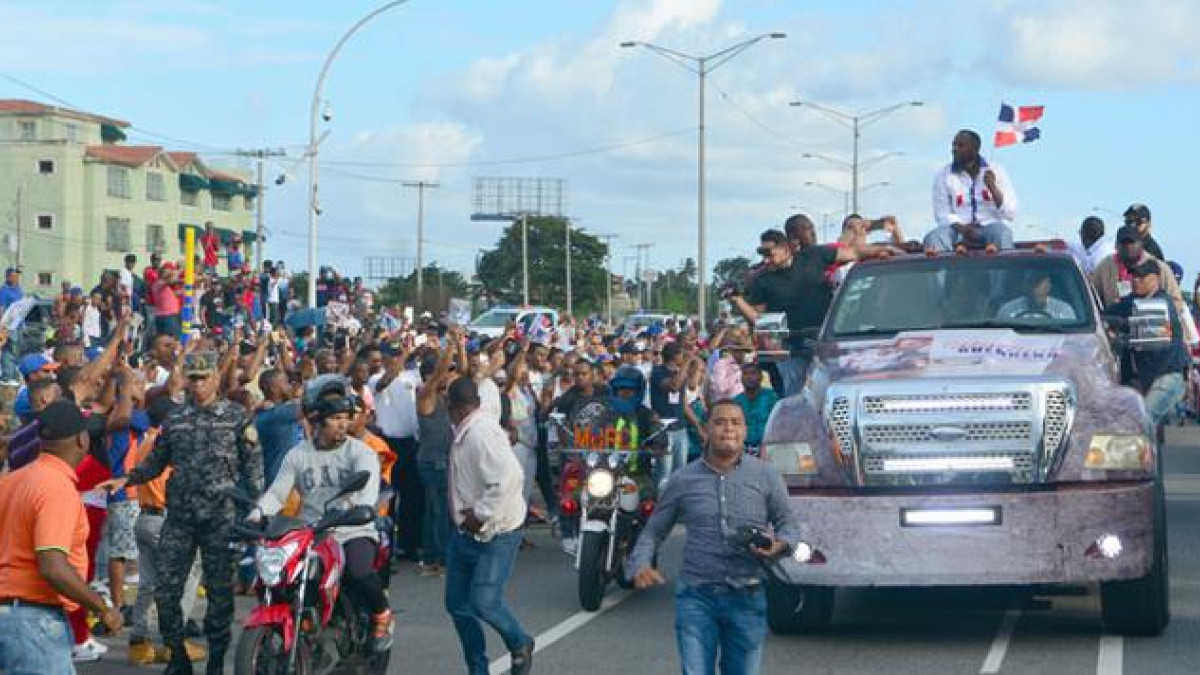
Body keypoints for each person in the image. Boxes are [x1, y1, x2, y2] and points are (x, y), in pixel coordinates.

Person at [100, 351, 263, 675]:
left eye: (204, 377)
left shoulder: (235, 416)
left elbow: (254, 467)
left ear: (216, 379)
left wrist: (255, 509)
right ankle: (178, 659)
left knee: (219, 598)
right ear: (186, 380)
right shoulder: (175, 419)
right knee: (166, 591)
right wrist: (128, 478)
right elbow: (156, 462)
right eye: (194, 378)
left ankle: (216, 663)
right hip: (179, 519)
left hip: (220, 518)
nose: (199, 384)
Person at [630, 400, 800, 675]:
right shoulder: (683, 479)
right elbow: (654, 530)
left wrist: (780, 545)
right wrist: (640, 563)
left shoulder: (766, 475)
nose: (728, 428)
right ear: (705, 429)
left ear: (745, 430)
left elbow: (789, 526)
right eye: (720, 422)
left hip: (748, 594)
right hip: (697, 597)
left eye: (736, 422)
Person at [251, 375, 393, 652]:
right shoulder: (298, 455)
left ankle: (381, 614)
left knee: (359, 570)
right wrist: (256, 515)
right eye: (335, 418)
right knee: (280, 576)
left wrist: (357, 512)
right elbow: (278, 493)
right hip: (311, 533)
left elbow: (366, 497)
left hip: (353, 529)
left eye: (346, 417)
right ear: (317, 421)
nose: (343, 424)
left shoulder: (361, 454)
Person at [0, 400, 124, 674]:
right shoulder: (56, 488)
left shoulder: (11, 481)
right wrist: (101, 607)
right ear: (82, 440)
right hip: (32, 621)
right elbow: (53, 567)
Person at [730, 218, 889, 396]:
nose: (767, 260)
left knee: (834, 388)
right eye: (763, 255)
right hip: (790, 346)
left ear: (785, 248)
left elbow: (854, 252)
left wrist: (890, 249)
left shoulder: (813, 256)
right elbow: (759, 319)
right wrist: (737, 300)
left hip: (824, 339)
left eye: (770, 253)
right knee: (796, 394)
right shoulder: (761, 280)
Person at [443, 377, 534, 675]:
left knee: (484, 601)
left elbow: (510, 478)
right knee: (458, 604)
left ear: (452, 407)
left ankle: (519, 642)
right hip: (466, 532)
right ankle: (477, 669)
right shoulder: (468, 426)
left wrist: (479, 514)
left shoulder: (481, 433)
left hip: (497, 531)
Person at [1105, 261, 1191, 425]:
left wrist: (1119, 333)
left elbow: (1144, 324)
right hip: (1144, 376)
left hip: (1167, 375)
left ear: (1156, 279)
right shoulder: (1131, 301)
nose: (1136, 280)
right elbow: (1104, 315)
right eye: (1134, 276)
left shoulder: (1162, 303)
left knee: (1142, 420)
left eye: (1142, 276)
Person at [1091, 225, 1197, 345]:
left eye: (1131, 242)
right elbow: (1092, 297)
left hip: (1155, 336)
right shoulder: (1105, 266)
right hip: (1116, 334)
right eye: (1123, 243)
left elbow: (1177, 303)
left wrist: (1152, 311)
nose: (1127, 247)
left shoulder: (1159, 267)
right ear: (1116, 245)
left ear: (1140, 244)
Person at [371, 341, 424, 562]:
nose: (395, 359)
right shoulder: (375, 379)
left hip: (410, 442)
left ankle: (408, 545)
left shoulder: (413, 377)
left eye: (397, 355)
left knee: (413, 498)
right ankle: (386, 548)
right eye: (391, 355)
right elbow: (385, 381)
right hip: (388, 443)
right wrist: (403, 357)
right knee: (388, 498)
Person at [925, 129, 1017, 252]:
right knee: (935, 237)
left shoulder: (997, 171)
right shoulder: (943, 175)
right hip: (957, 229)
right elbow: (942, 215)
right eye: (954, 145)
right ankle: (944, 271)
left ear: (975, 149)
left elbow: (1010, 213)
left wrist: (992, 187)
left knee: (1003, 233)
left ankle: (1001, 271)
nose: (954, 149)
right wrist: (963, 229)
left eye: (960, 145)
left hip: (989, 226)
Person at [415, 344, 457, 577]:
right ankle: (441, 559)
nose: (448, 376)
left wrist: (459, 346)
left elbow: (462, 372)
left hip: (444, 460)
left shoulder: (444, 396)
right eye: (443, 373)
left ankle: (431, 558)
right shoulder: (425, 395)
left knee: (435, 512)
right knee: (440, 513)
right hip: (433, 462)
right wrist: (449, 347)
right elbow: (441, 374)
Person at [651, 342, 693, 486]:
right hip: (664, 431)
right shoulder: (657, 372)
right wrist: (687, 363)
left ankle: (677, 504)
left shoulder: (679, 374)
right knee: (664, 473)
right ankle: (661, 504)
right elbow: (673, 387)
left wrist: (698, 426)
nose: (685, 357)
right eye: (682, 354)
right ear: (675, 356)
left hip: (680, 429)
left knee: (680, 472)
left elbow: (683, 403)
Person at [733, 363, 779, 453]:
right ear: (741, 379)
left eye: (753, 373)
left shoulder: (771, 397)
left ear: (760, 377)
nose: (749, 377)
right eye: (745, 374)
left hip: (769, 448)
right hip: (743, 449)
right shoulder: (736, 401)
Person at [996, 270, 1077, 320]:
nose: (1032, 287)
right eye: (1030, 282)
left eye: (1036, 282)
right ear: (1025, 285)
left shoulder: (1063, 311)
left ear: (1047, 286)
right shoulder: (1008, 311)